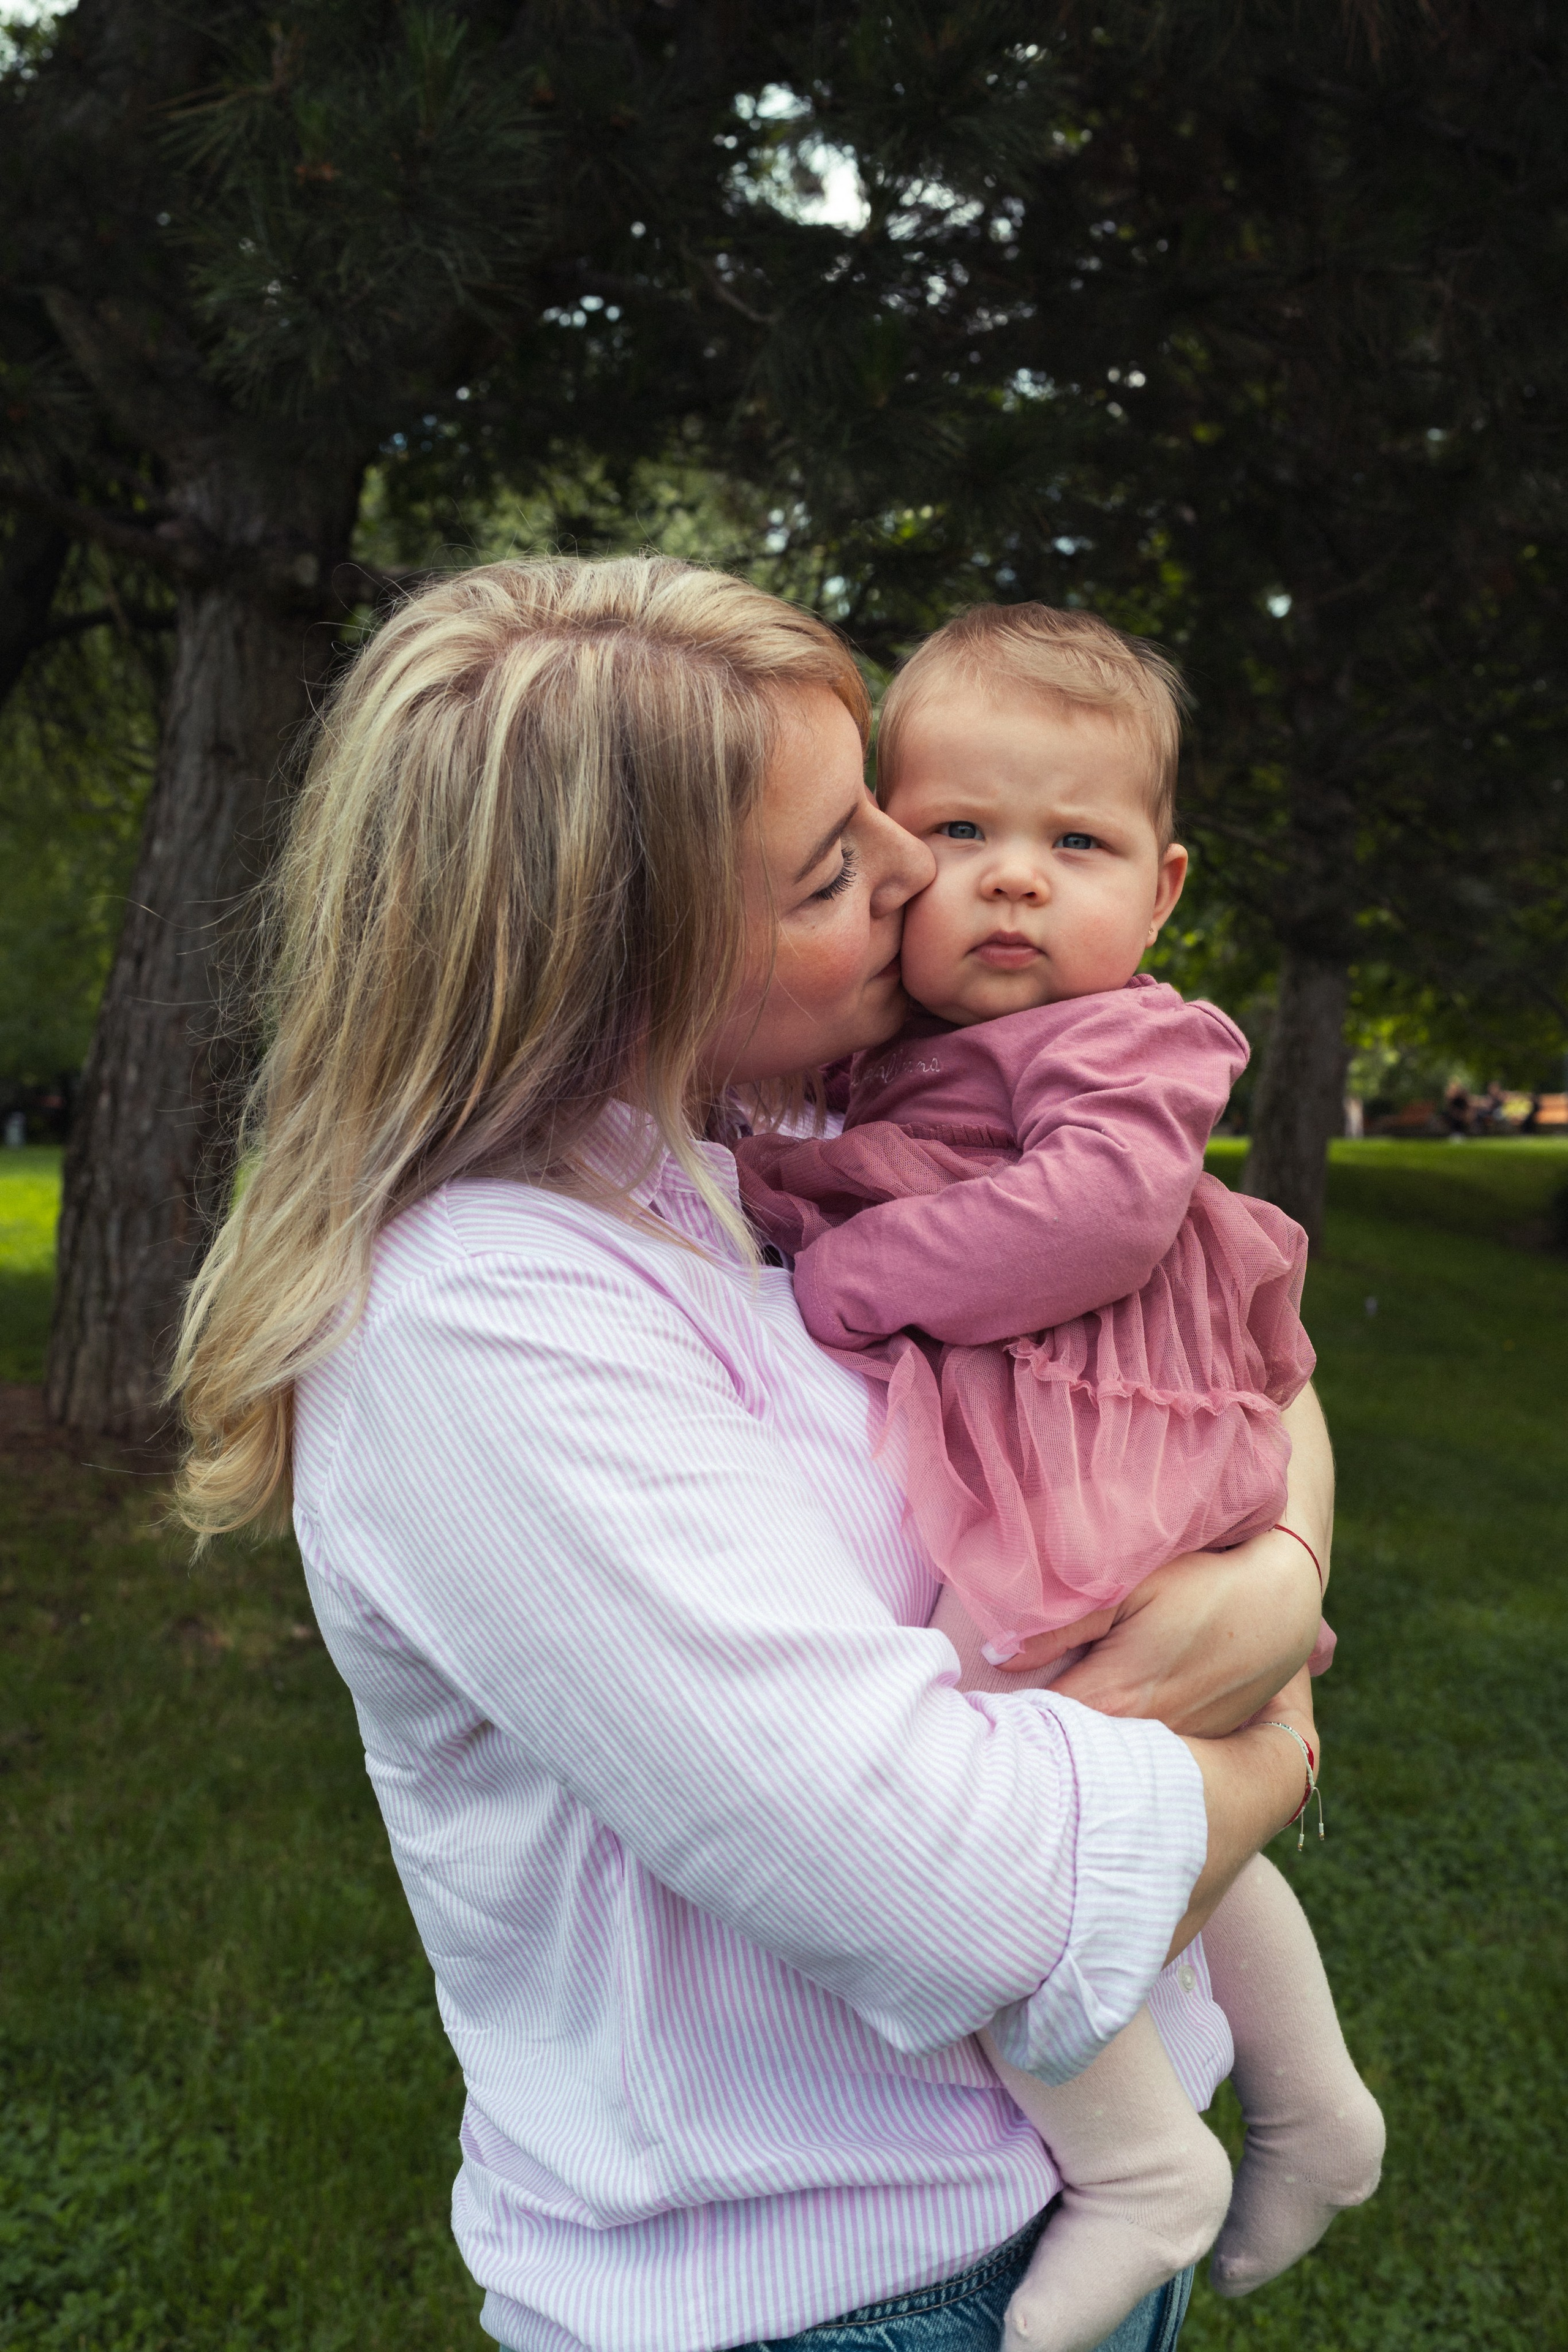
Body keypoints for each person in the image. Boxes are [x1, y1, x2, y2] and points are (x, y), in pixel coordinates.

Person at [170, 558, 1331, 2352]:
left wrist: (1284, 1572)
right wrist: (1266, 1744)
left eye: (875, 803)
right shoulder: (479, 1321)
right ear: (626, 963)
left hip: (1064, 2211)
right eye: (832, 867)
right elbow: (962, 1900)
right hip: (828, 2291)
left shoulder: (760, 1129)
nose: (916, 873)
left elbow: (1210, 1311)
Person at [736, 605, 1384, 2352]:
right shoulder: (892, 1051)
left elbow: (1095, 1217)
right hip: (1061, 1446)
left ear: (1162, 891)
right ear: (881, 854)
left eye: (1074, 843)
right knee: (1144, 1783)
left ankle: (1136, 2161)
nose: (1014, 882)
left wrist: (845, 1280)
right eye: (961, 834)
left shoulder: (1121, 1041)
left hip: (1111, 1445)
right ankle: (1316, 2099)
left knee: (1008, 1766)